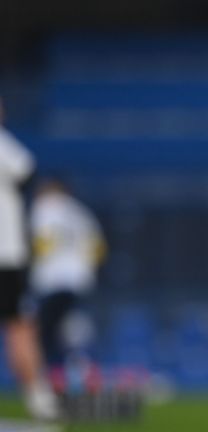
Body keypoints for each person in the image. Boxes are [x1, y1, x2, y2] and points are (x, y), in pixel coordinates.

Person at [0, 97, 59, 420]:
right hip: (5, 256)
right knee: (21, 328)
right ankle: (39, 398)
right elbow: (26, 169)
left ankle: (39, 396)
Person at [30, 179, 105, 372]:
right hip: (80, 281)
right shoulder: (81, 212)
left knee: (46, 335)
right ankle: (79, 372)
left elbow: (41, 244)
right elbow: (99, 249)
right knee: (74, 331)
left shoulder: (45, 207)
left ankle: (52, 376)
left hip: (52, 281)